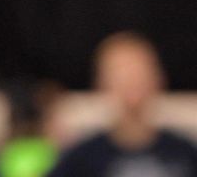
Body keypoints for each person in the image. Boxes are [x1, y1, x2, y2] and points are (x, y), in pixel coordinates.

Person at [48, 31, 197, 177]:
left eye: (139, 71)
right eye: (121, 73)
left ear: (158, 78)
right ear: (101, 82)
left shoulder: (185, 153)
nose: (131, 81)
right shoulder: (81, 159)